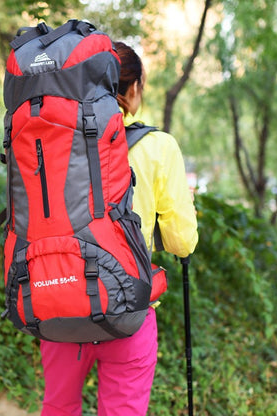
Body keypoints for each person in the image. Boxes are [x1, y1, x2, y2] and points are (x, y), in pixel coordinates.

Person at [39, 41, 198, 416]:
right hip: (128, 312)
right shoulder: (157, 147)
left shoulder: (50, 138)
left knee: (58, 408)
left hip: (58, 304)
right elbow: (181, 242)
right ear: (133, 87)